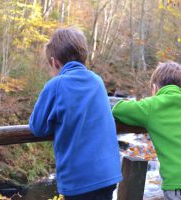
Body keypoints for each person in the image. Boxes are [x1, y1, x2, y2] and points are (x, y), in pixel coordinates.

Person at [29, 27, 122, 200]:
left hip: (79, 180)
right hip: (108, 174)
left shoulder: (55, 85)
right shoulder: (97, 81)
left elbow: (37, 127)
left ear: (55, 62)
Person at [112, 61, 181, 200]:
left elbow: (118, 109)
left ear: (154, 88)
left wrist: (150, 99)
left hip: (178, 181)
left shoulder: (151, 106)